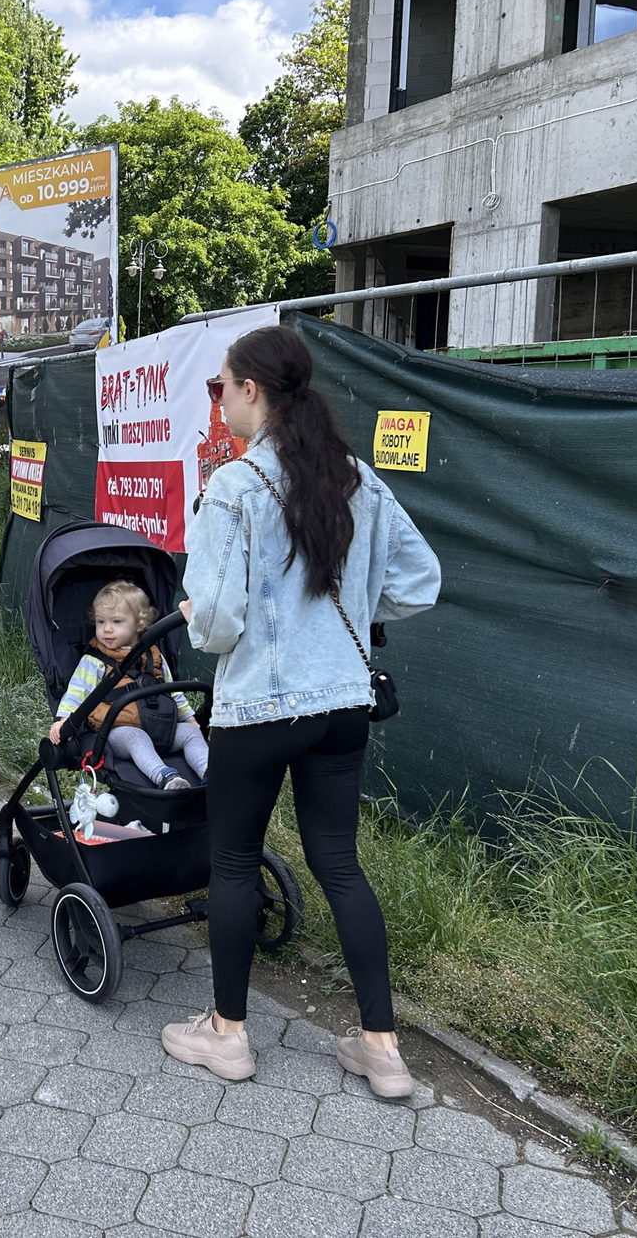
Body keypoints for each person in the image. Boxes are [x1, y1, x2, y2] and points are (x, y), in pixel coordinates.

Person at [166, 324, 440, 1097]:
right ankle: (382, 1049)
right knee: (339, 863)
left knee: (231, 859)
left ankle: (227, 1035)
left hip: (258, 707)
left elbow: (217, 625)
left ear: (252, 389)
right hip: (344, 703)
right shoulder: (354, 477)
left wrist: (192, 612)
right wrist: (349, 603)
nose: (217, 402)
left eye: (220, 387)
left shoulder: (234, 486)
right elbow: (422, 582)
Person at [48, 580, 208, 789]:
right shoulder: (95, 661)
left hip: (159, 726)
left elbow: (172, 691)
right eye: (100, 622)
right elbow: (77, 692)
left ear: (139, 624)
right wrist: (64, 721)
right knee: (136, 737)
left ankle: (209, 772)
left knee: (190, 734)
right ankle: (166, 777)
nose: (107, 629)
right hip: (118, 731)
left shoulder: (154, 656)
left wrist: (189, 719)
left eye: (116, 621)